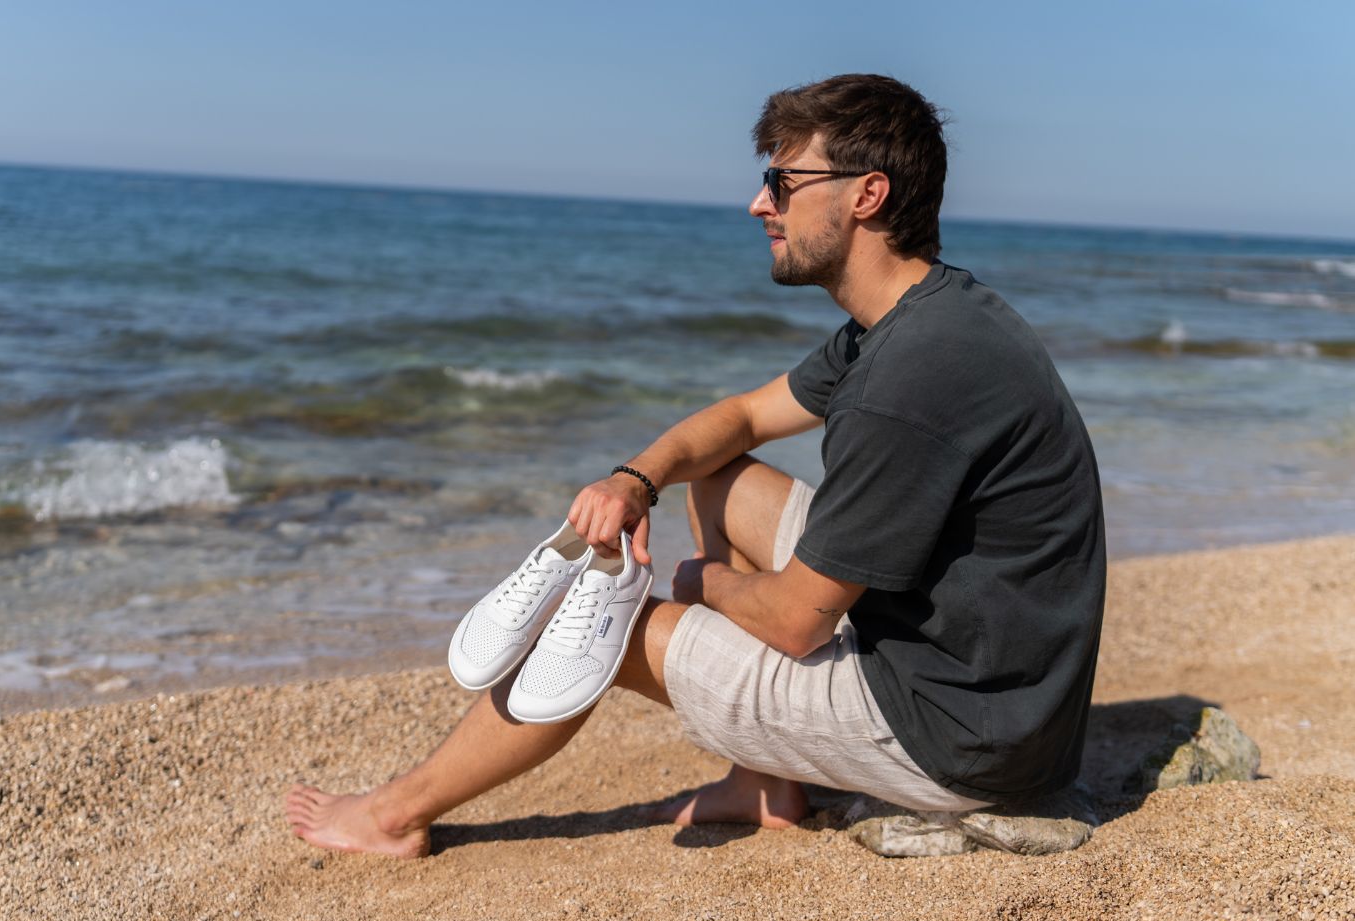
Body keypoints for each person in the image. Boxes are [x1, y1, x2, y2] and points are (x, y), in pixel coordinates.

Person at [285, 74, 1106, 858]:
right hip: (983, 675)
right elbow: (743, 417)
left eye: (783, 184)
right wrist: (633, 480)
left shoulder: (908, 378)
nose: (759, 204)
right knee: (715, 473)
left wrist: (696, 583)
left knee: (605, 625)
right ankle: (765, 786)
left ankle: (394, 816)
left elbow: (795, 623)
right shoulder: (916, 319)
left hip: (959, 734)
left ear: (866, 195)